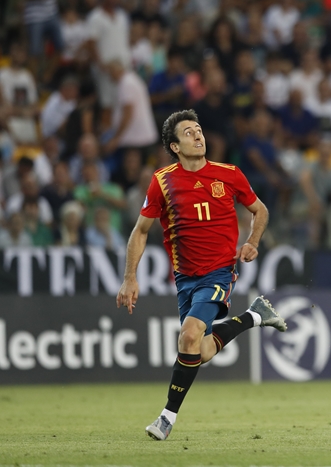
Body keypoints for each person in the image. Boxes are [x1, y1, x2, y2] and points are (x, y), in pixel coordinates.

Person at [115, 109, 287, 441]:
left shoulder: (229, 174)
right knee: (201, 349)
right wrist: (129, 277)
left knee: (189, 335)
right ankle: (255, 315)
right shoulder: (162, 181)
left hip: (219, 273)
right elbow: (140, 232)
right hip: (185, 278)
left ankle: (166, 418)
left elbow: (259, 209)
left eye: (199, 130)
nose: (198, 136)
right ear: (175, 146)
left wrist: (251, 242)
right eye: (189, 133)